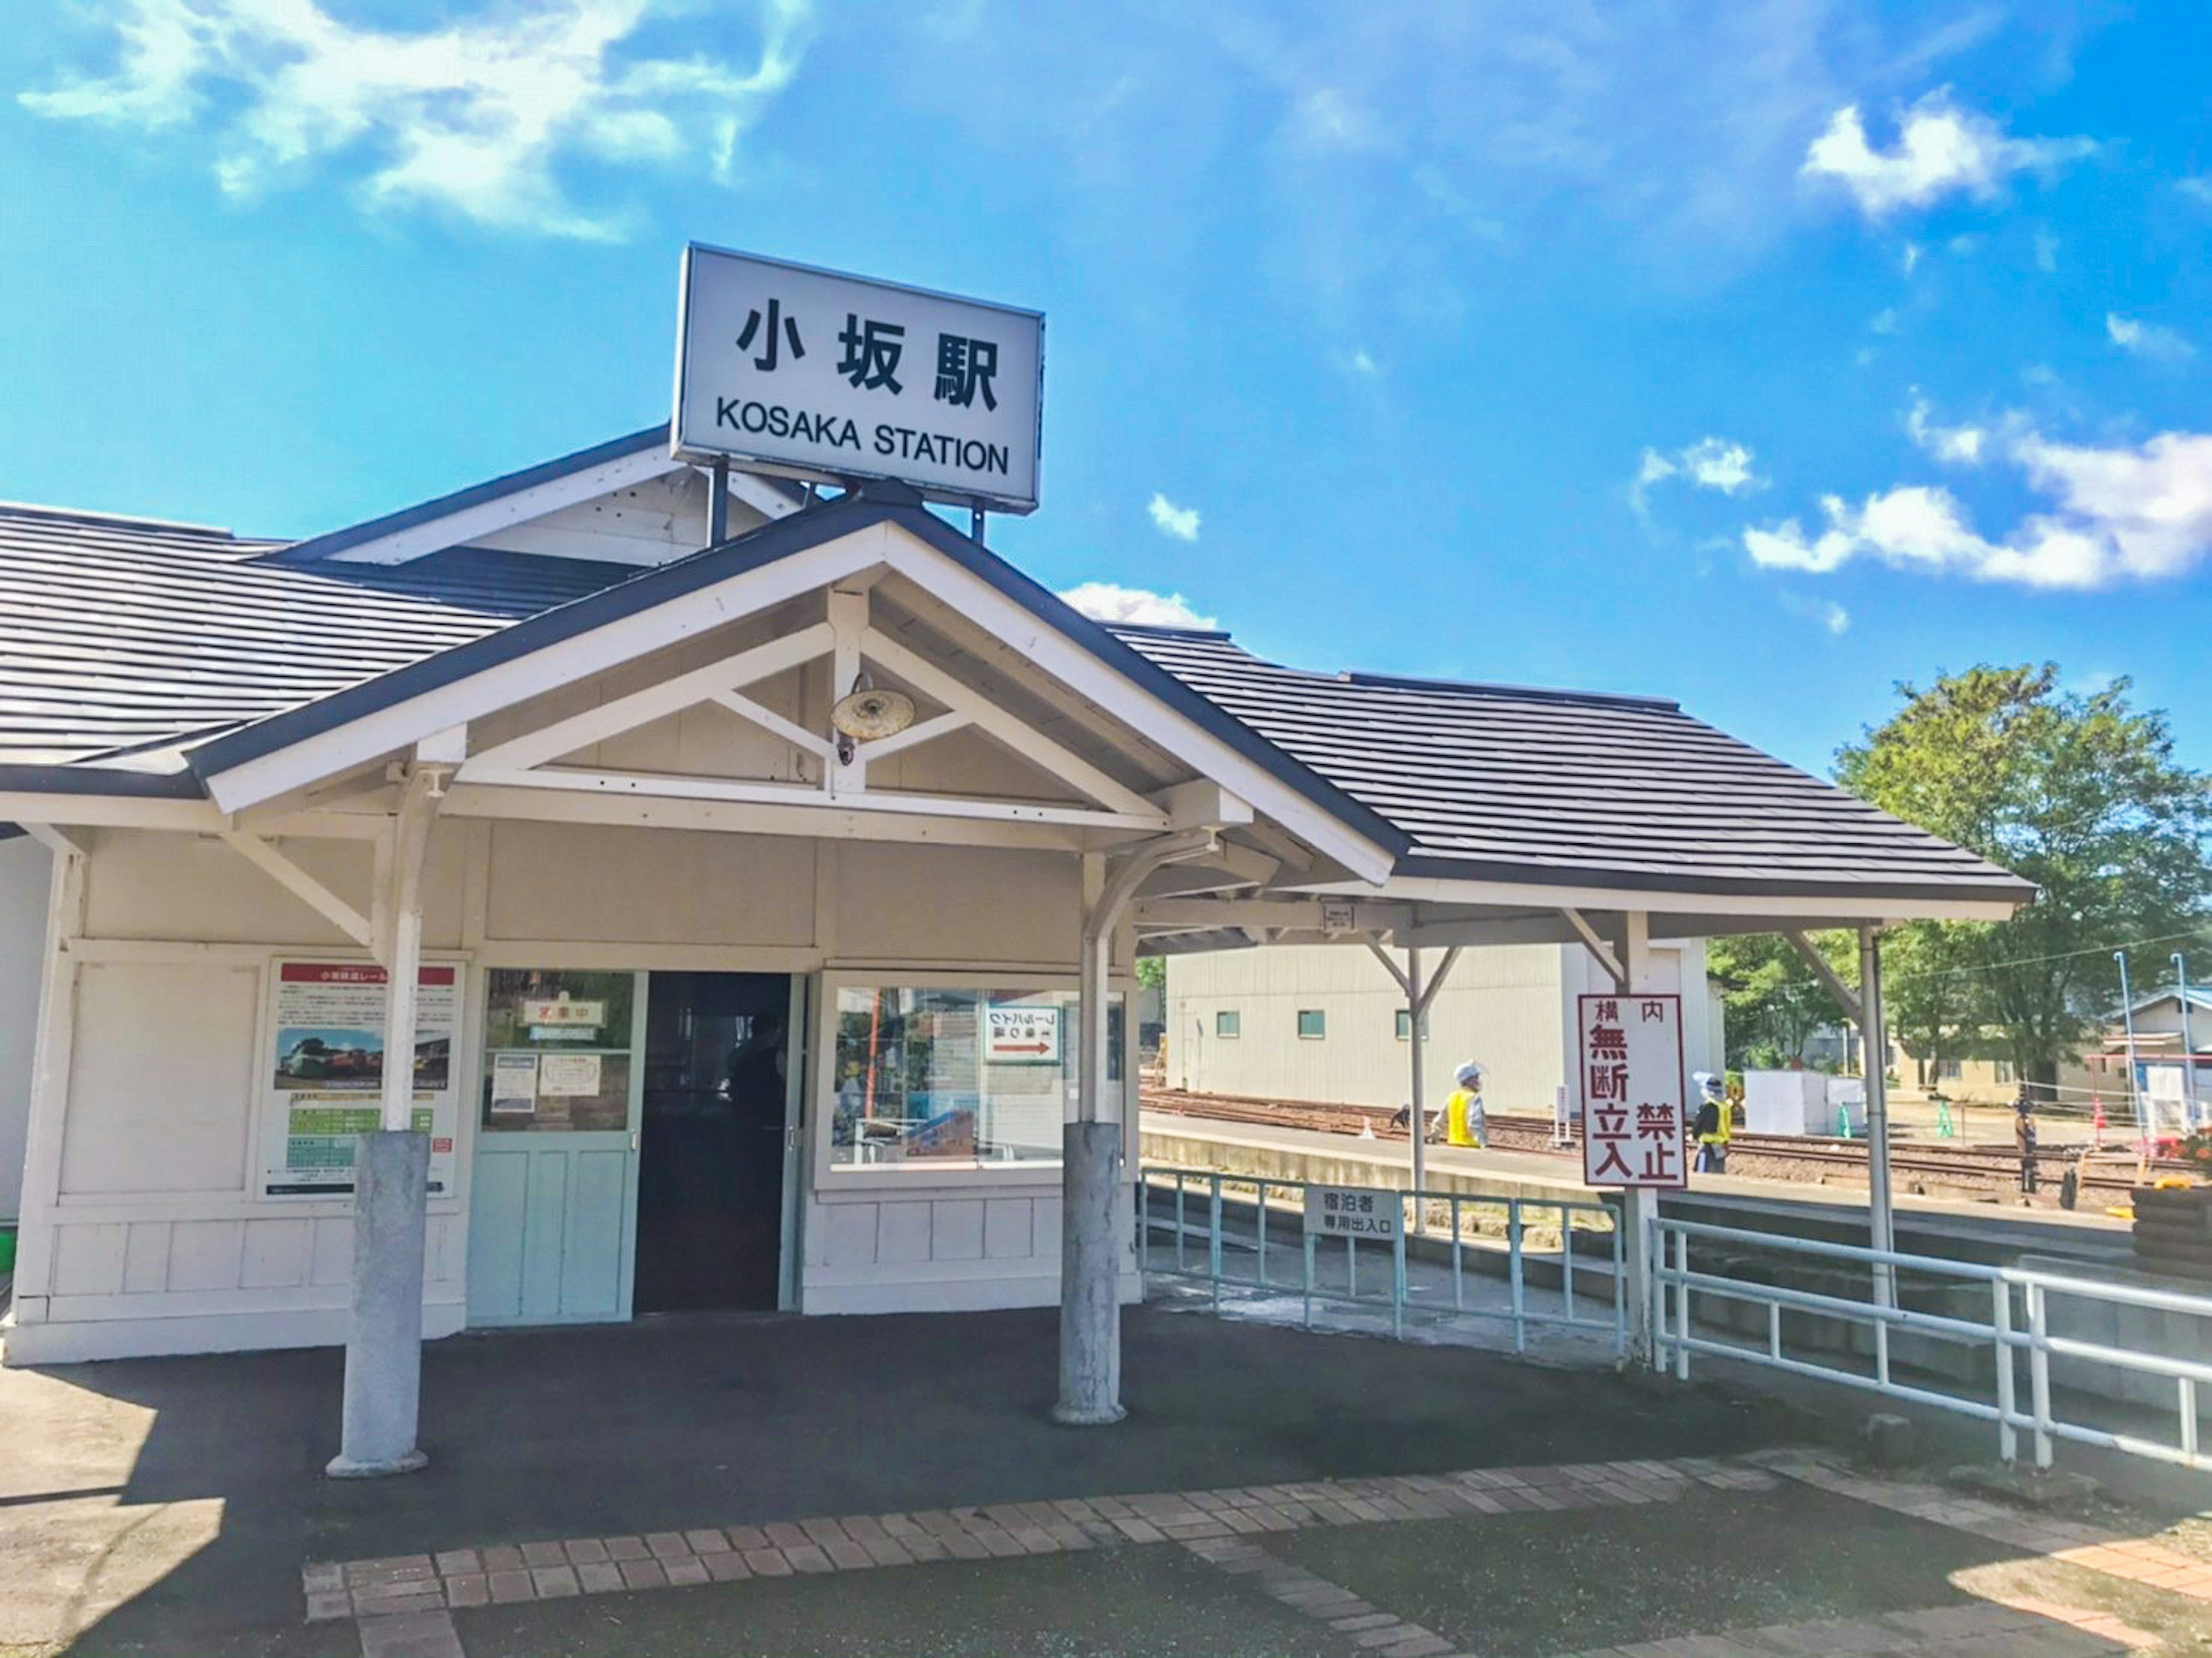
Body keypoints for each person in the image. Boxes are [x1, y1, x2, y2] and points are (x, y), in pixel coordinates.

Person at [1691, 1071, 1730, 1174]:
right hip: (1720, 1146)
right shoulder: (1724, 1106)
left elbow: (1699, 1124)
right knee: (1718, 1172)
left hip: (1707, 1145)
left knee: (1702, 1172)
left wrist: (1694, 1136)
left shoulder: (1708, 1105)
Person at [1444, 1061, 1486, 1148]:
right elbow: (1474, 1124)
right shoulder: (1474, 1098)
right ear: (1468, 1080)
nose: (1478, 1081)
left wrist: (1434, 1136)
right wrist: (1482, 1143)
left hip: (1453, 1143)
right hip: (1471, 1146)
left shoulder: (1452, 1097)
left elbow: (1441, 1120)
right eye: (1476, 1078)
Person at [2014, 1088, 2039, 1194]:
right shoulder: (2021, 1121)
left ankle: (2027, 1186)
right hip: (2026, 1149)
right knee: (2026, 1162)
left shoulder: (2027, 1121)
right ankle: (2026, 1186)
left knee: (2027, 1163)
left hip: (2028, 1149)